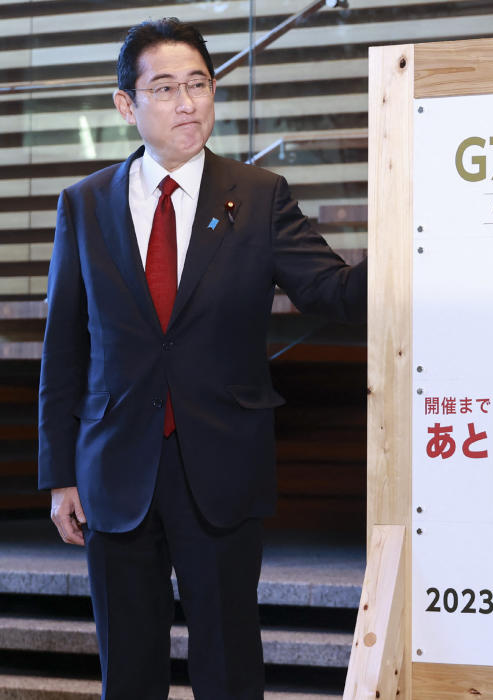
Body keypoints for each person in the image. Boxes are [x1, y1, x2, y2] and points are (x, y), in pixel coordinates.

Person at [37, 17, 365, 699]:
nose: (187, 103)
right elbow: (65, 350)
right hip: (114, 469)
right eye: (165, 88)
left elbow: (330, 290)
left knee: (228, 664)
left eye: (198, 84)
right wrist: (61, 473)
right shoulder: (84, 204)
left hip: (220, 465)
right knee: (127, 671)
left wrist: (417, 244)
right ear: (127, 105)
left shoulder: (259, 195)